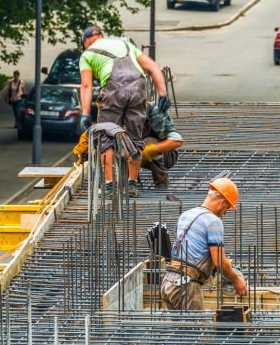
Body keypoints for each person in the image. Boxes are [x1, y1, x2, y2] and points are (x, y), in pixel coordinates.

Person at [78, 26, 168, 198]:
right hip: (138, 88)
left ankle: (110, 186)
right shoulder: (125, 45)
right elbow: (154, 67)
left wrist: (85, 113)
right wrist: (162, 94)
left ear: (86, 41)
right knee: (135, 138)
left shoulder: (87, 54)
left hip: (113, 90)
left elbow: (86, 85)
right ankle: (132, 184)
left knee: (106, 137)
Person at [161, 178, 248, 311]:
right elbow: (219, 261)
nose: (225, 212)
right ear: (222, 202)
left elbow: (190, 252)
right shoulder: (213, 221)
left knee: (180, 331)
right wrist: (236, 279)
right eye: (227, 207)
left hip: (168, 282)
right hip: (186, 286)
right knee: (196, 330)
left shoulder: (186, 215)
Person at [140, 103, 184, 189]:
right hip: (137, 154)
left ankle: (161, 182)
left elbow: (177, 140)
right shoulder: (120, 111)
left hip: (166, 154)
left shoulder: (153, 111)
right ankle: (132, 183)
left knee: (148, 142)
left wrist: (151, 150)